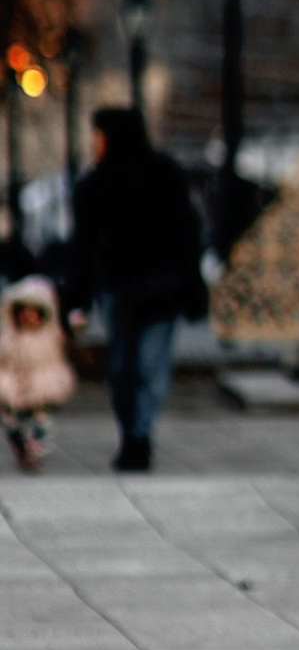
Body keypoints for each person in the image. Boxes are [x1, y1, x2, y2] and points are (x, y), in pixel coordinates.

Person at [61, 108, 206, 473]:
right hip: (128, 290)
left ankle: (138, 435)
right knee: (129, 365)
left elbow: (187, 234)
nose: (94, 143)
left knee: (142, 364)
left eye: (99, 135)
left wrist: (191, 284)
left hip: (155, 289)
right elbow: (84, 245)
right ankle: (133, 432)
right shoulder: (98, 184)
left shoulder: (158, 176)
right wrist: (76, 295)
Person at [2, 277, 76, 472]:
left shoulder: (51, 336)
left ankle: (33, 451)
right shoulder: (10, 338)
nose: (28, 318)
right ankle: (20, 447)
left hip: (41, 386)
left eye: (33, 313)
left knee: (39, 422)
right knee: (14, 423)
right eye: (23, 313)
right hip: (15, 386)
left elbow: (69, 332)